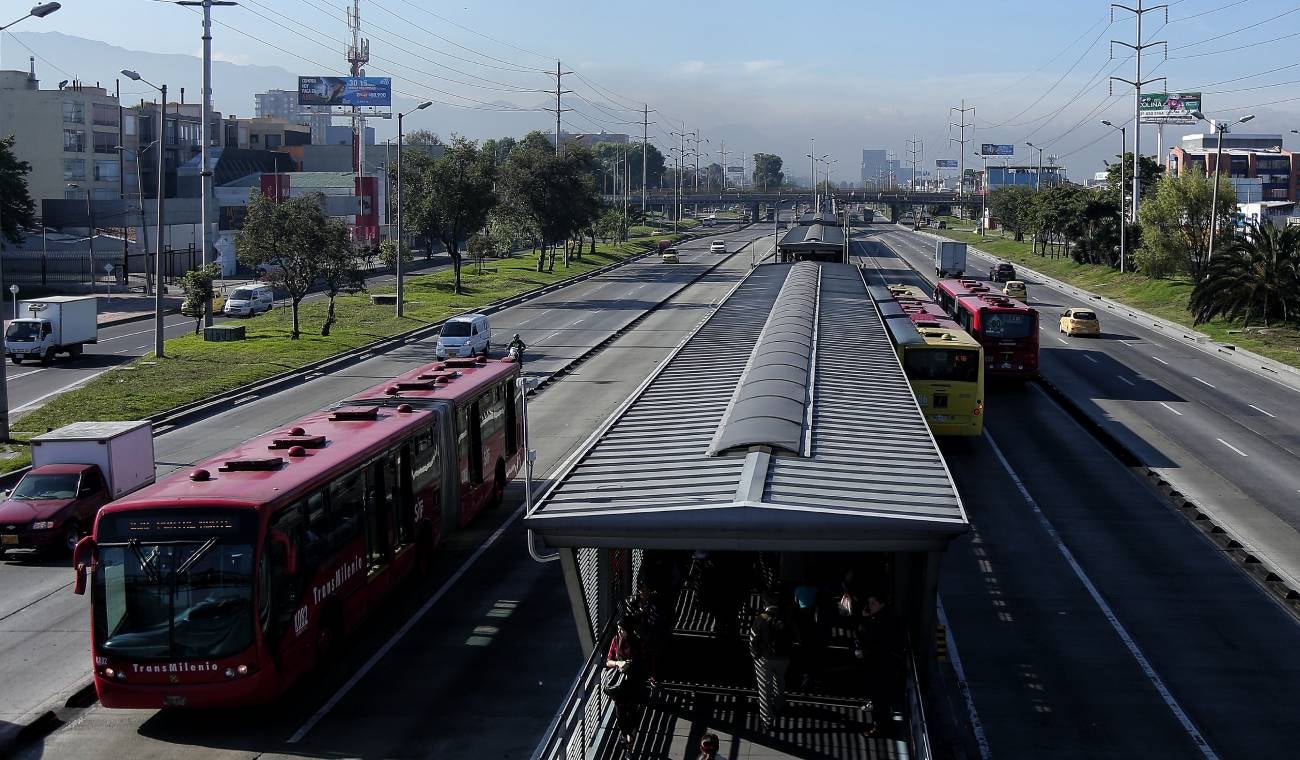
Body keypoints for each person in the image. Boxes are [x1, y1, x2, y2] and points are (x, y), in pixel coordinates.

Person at [857, 594, 905, 737]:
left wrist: (865, 619)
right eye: (869, 603)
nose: (870, 606)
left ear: (881, 604)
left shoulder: (881, 621)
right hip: (883, 663)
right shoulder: (885, 617)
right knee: (881, 698)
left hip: (881, 664)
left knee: (880, 698)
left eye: (873, 603)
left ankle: (880, 727)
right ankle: (883, 725)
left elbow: (869, 636)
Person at [749, 598, 794, 729]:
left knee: (764, 688)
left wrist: (755, 656)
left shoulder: (761, 619)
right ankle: (779, 705)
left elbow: (753, 640)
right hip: (784, 658)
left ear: (765, 605)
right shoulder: (787, 618)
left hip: (766, 658)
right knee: (780, 680)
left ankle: (767, 720)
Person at [606, 617, 645, 753]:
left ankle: (629, 741)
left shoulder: (637, 642)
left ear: (628, 630)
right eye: (618, 629)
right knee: (620, 715)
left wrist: (630, 664)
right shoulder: (616, 640)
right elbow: (608, 661)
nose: (619, 632)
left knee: (631, 713)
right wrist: (618, 663)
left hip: (633, 683)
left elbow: (642, 662)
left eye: (622, 629)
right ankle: (628, 737)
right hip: (620, 685)